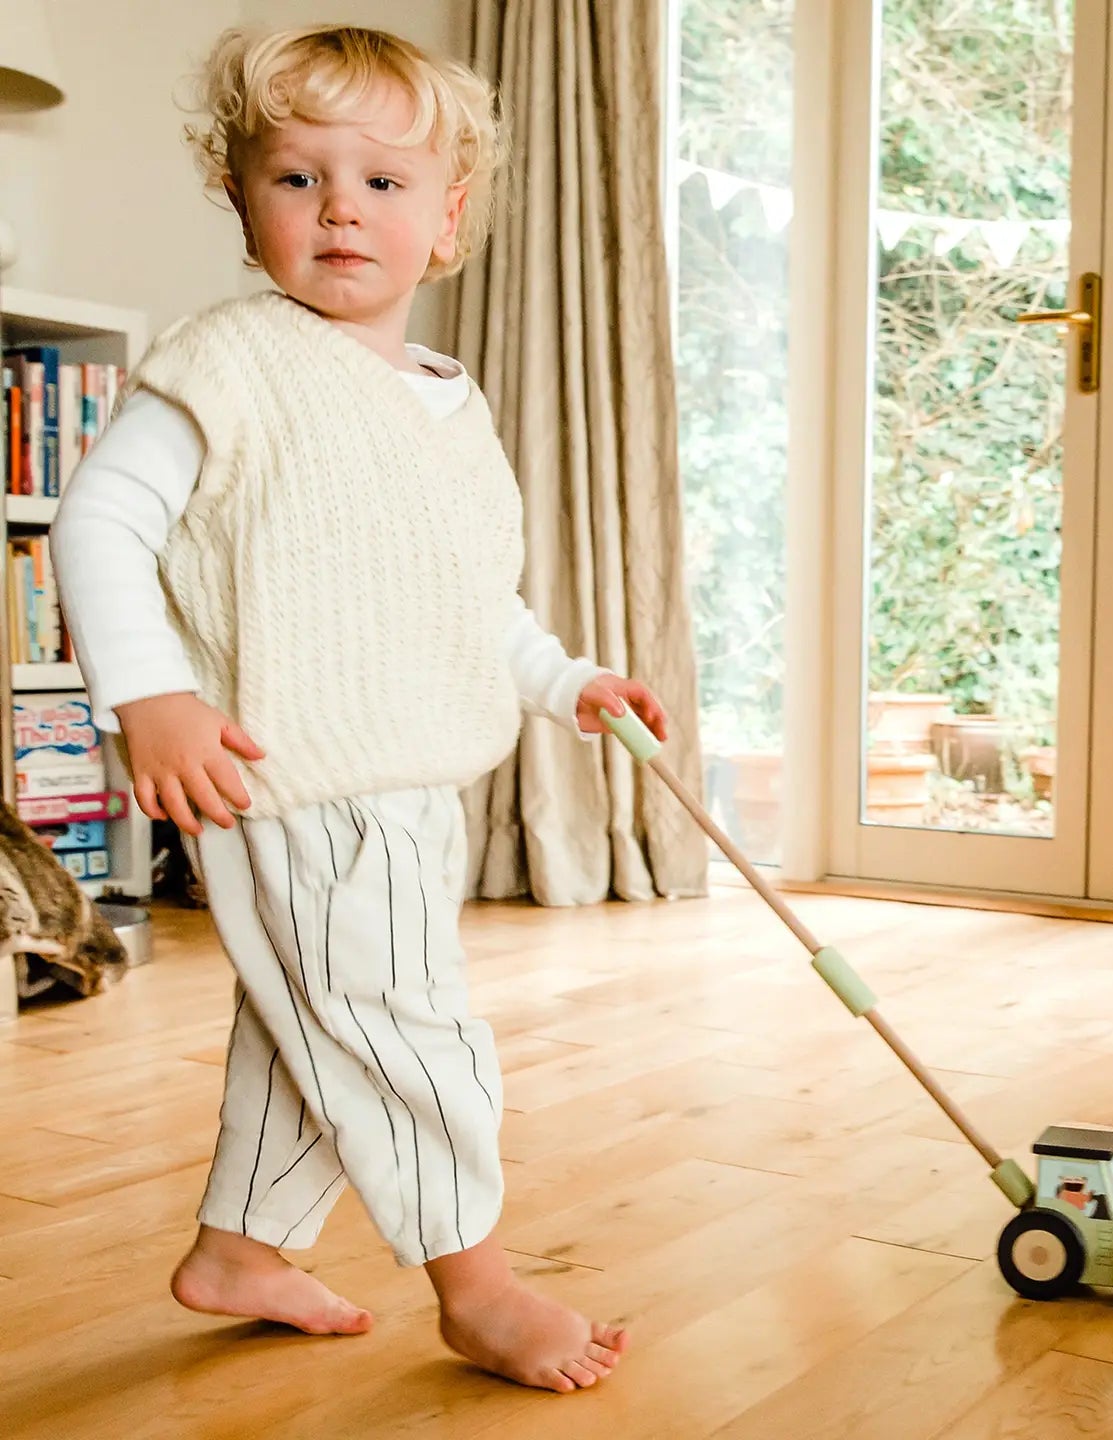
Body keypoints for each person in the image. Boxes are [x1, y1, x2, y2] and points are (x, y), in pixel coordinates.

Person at [51, 22, 666, 1395]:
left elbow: (467, 598)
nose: (340, 207)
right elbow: (96, 521)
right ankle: (479, 1285)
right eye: (297, 178)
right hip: (300, 776)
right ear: (238, 199)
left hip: (412, 778)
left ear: (448, 217)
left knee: (313, 1013)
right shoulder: (228, 364)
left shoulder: (449, 399)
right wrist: (147, 694)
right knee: (401, 1025)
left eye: (384, 182)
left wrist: (566, 682)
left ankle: (241, 1246)